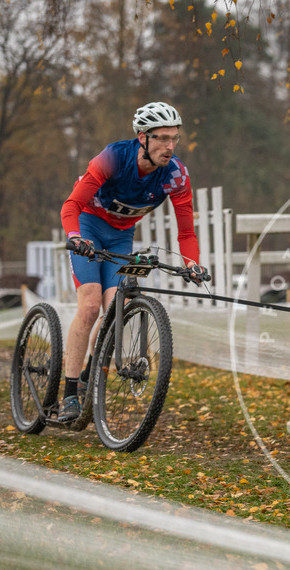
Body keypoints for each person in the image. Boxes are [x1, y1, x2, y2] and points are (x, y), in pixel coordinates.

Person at [59, 101, 208, 421]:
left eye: (174, 138)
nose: (170, 146)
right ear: (143, 137)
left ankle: (88, 375)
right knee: (90, 305)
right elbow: (71, 205)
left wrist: (192, 264)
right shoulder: (113, 158)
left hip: (120, 237)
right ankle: (69, 393)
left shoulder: (176, 175)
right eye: (162, 138)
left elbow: (186, 233)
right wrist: (75, 236)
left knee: (115, 310)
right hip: (87, 228)